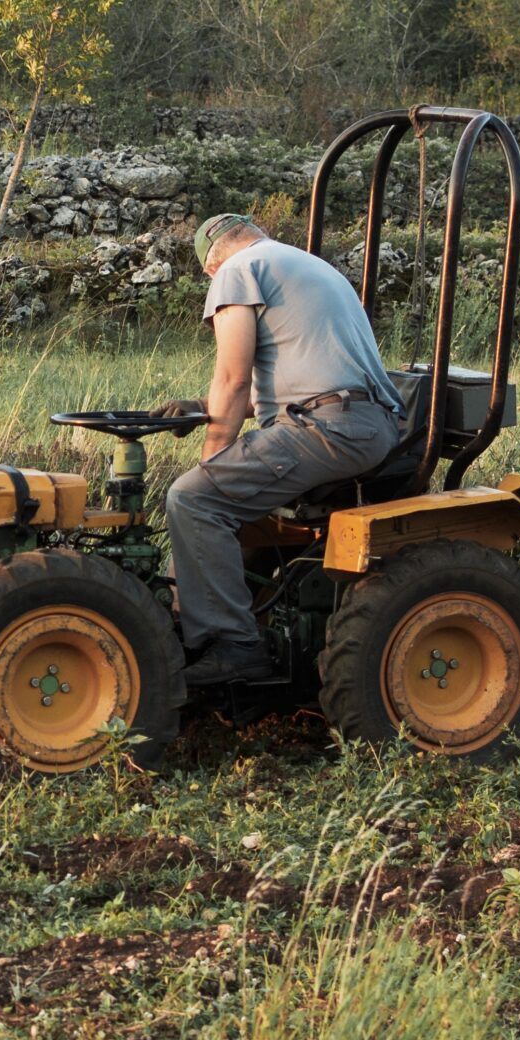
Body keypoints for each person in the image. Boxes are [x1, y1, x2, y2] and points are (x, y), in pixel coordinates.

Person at [162, 212, 405, 687]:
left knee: (194, 499)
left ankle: (233, 646)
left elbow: (233, 380)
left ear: (210, 268)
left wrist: (213, 461)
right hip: (364, 422)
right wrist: (199, 407)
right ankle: (216, 615)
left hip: (328, 427)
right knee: (220, 499)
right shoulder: (304, 265)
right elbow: (297, 380)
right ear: (256, 234)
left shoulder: (236, 272)